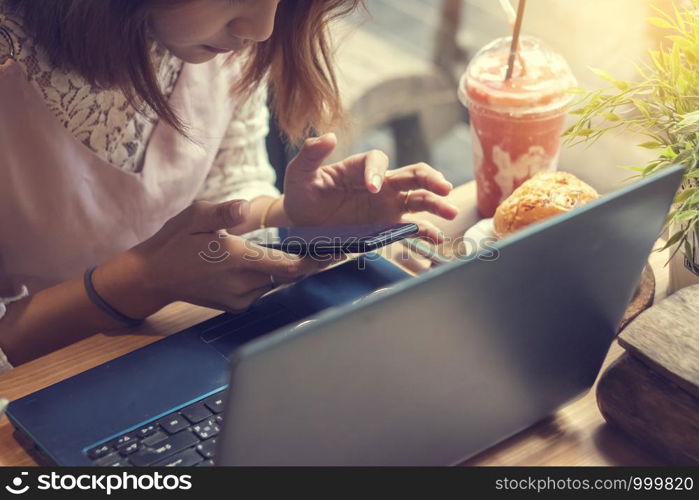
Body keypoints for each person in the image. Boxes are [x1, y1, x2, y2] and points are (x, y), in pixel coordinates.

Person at [0, 0, 458, 368]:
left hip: (180, 345)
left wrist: (291, 220)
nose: (262, 27)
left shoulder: (208, 41)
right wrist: (142, 280)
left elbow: (227, 186)